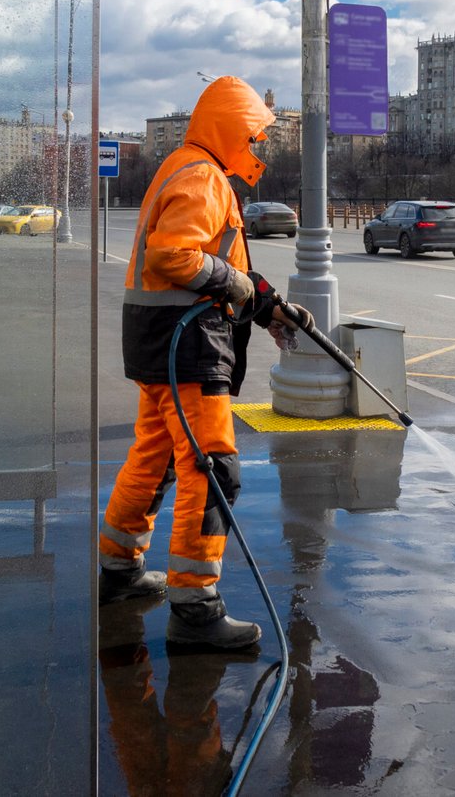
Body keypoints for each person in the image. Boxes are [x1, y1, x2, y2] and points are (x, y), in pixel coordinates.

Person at [99, 74, 311, 650]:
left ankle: (118, 571)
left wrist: (266, 303)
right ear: (229, 127)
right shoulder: (202, 175)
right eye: (253, 133)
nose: (258, 145)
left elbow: (221, 262)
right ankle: (195, 607)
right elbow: (175, 256)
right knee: (212, 469)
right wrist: (240, 285)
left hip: (159, 339)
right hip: (184, 346)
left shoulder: (188, 167)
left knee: (156, 454)